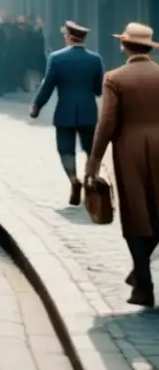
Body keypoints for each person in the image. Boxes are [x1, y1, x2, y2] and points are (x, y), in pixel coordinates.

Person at [86, 22, 159, 308]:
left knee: (134, 214)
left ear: (124, 45)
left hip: (130, 149)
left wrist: (94, 160)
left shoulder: (115, 77)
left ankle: (144, 284)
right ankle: (139, 276)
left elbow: (107, 123)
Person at [30, 20, 105, 205]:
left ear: (68, 37)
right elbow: (98, 90)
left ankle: (73, 180)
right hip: (88, 112)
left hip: (64, 112)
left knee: (65, 150)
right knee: (90, 150)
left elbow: (47, 86)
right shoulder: (96, 59)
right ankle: (90, 180)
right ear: (83, 39)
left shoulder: (56, 58)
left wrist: (37, 106)